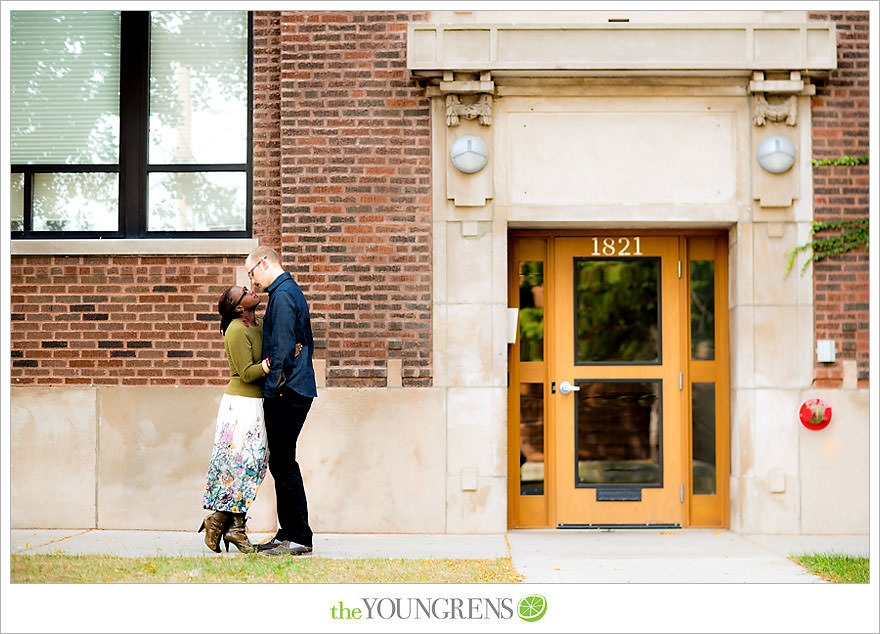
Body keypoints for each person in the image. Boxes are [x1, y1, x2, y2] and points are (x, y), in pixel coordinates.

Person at [245, 246, 318, 556]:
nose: (251, 283)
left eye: (251, 273)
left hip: (289, 391)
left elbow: (284, 350)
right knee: (281, 462)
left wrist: (272, 389)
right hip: (292, 388)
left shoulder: (284, 295)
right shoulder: (284, 292)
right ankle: (289, 532)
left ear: (264, 263)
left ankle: (299, 536)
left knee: (284, 463)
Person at [198, 284, 270, 554]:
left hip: (257, 403)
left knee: (250, 465)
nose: (252, 290)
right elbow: (247, 373)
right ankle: (233, 529)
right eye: (245, 292)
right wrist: (272, 363)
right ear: (240, 306)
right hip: (242, 406)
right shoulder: (236, 330)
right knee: (241, 465)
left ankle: (219, 522)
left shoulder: (258, 322)